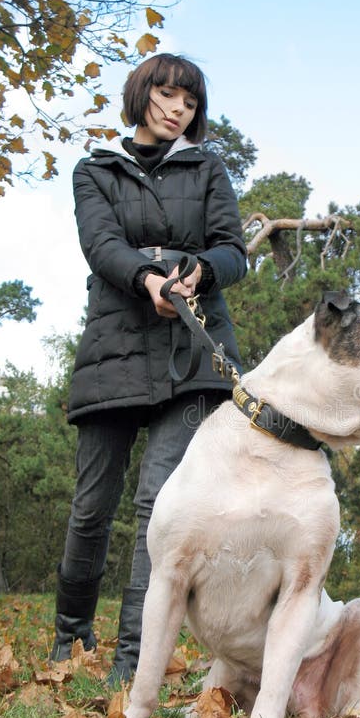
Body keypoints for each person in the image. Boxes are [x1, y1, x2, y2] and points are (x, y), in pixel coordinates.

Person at [50, 53, 247, 683]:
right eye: (166, 95)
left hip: (192, 352)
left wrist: (199, 272)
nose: (176, 109)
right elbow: (100, 244)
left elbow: (232, 248)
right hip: (114, 345)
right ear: (142, 95)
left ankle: (130, 664)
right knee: (91, 508)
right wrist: (146, 278)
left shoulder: (208, 167)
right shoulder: (94, 171)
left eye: (188, 103)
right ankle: (69, 640)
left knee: (156, 507)